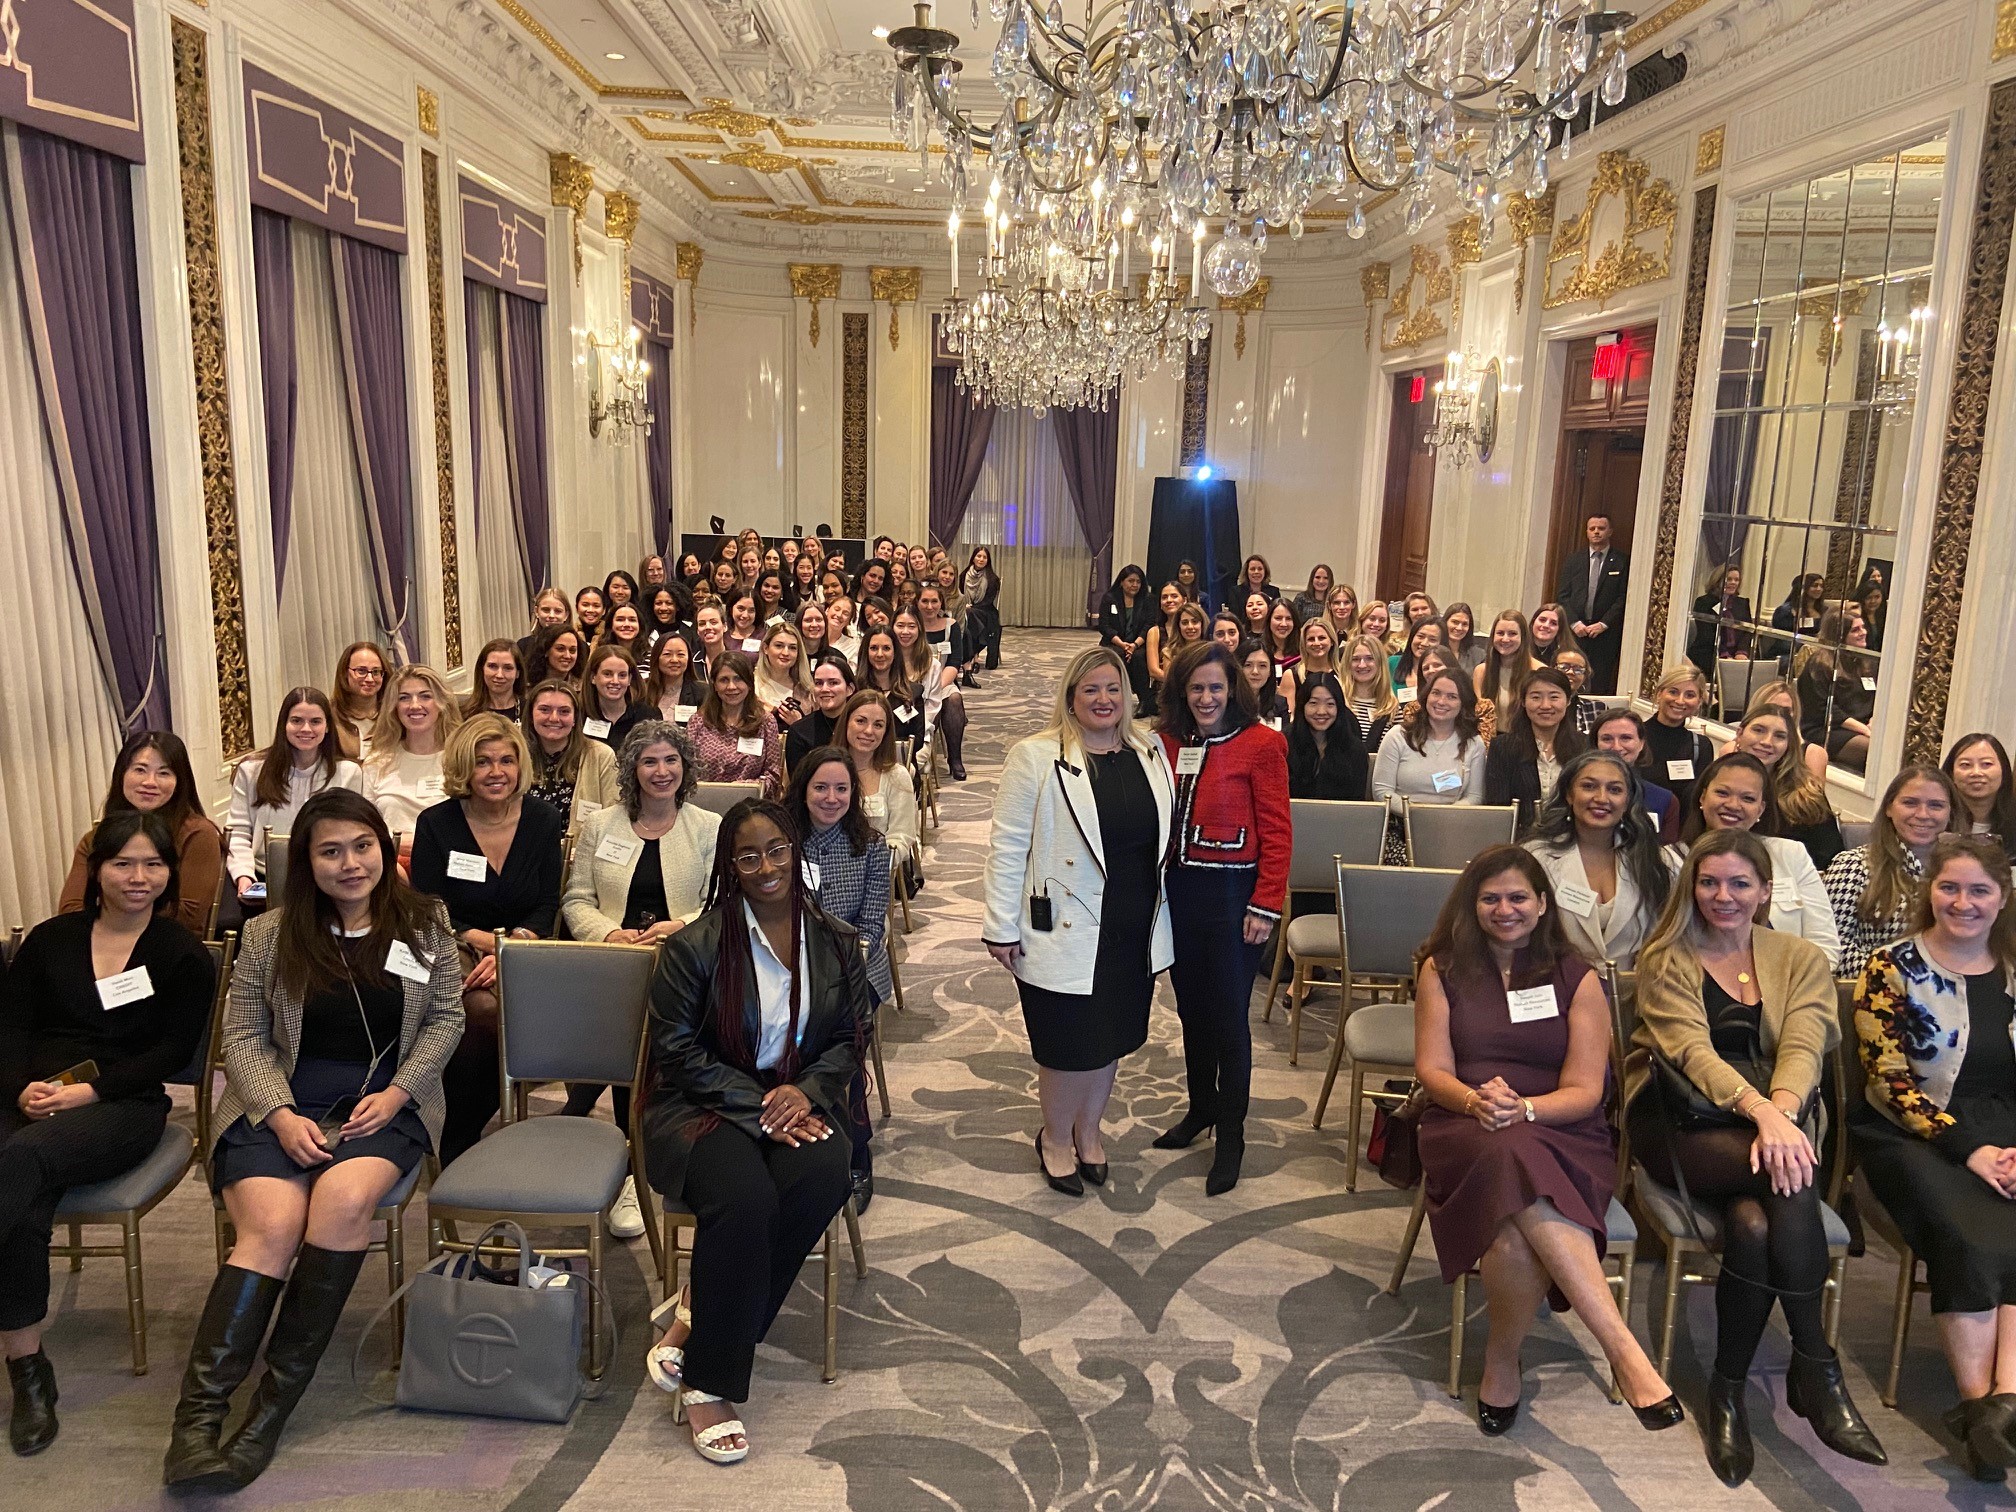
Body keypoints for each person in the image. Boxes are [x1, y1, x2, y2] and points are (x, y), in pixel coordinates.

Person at [168, 791, 462, 1493]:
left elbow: (445, 1021)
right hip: (281, 1105)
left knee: (339, 1204)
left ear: (383, 850)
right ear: (306, 860)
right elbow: (241, 1037)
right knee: (270, 1227)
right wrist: (276, 1112)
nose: (349, 863)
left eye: (361, 846)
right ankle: (196, 1425)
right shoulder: (270, 934)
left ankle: (268, 1412)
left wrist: (396, 1093)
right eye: (330, 851)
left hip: (383, 1106)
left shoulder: (424, 924)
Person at [1625, 828, 1884, 1487]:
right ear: (1692, 887)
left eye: (1740, 883)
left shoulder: (1797, 957)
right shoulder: (1667, 955)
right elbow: (1689, 1051)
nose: (1723, 896)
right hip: (1679, 1121)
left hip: (1777, 1125)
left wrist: (1784, 1110)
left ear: (1766, 891)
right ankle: (1816, 1366)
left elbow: (1805, 1042)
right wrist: (1764, 1114)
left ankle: (1728, 1394)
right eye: (1709, 882)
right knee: (1790, 1177)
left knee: (1755, 1224)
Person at [1412, 846, 1682, 1434]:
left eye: (1517, 898)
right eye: (1490, 898)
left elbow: (1587, 1090)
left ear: (1541, 906)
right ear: (1470, 904)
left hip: (1562, 1127)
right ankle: (1624, 1350)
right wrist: (1476, 1101)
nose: (1504, 909)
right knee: (1508, 1148)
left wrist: (1526, 1108)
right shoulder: (1442, 968)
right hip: (1466, 1122)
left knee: (1512, 1240)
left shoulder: (1576, 977)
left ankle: (1502, 1360)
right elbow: (1432, 1069)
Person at [637, 800, 869, 1465]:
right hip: (698, 1108)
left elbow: (852, 1040)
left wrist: (803, 1092)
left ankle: (693, 1320)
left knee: (827, 1170)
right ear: (728, 867)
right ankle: (710, 1382)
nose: (766, 867)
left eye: (777, 850)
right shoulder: (694, 946)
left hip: (792, 1103)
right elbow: (675, 1054)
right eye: (748, 856)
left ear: (795, 851)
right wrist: (761, 1103)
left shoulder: (833, 940)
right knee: (746, 1200)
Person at [3, 814, 214, 1457]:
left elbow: (173, 1051)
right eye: (123, 863)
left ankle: (26, 1376)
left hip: (122, 1103)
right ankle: (29, 1365)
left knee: (18, 1162)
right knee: (23, 1177)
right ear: (96, 869)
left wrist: (88, 1091)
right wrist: (20, 1088)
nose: (138, 878)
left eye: (153, 865)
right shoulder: (49, 941)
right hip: (31, 1097)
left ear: (169, 874)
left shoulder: (180, 954)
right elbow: (9, 1030)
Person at [1850, 835, 2016, 1480]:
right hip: (1910, 1133)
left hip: (2008, 1134)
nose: (1963, 903)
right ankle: (1987, 1411)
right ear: (1930, 893)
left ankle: (1995, 1415)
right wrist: (1968, 1148)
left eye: (1980, 891)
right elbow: (1887, 1080)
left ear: (2002, 899)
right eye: (1950, 888)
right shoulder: (1890, 968)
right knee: (1969, 1242)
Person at [984, 647, 1174, 1195]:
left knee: (1112, 1034)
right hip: (1063, 924)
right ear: (1071, 698)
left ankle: (1089, 1131)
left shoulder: (1151, 750)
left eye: (1112, 688)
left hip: (1133, 919)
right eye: (1090, 690)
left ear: (1127, 696)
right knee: (1068, 1044)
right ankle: (1055, 1138)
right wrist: (1001, 923)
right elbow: (1007, 845)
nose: (1103, 699)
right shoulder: (1036, 756)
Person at [560, 722, 721, 1237]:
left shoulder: (707, 827)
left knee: (661, 1042)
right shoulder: (602, 825)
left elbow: (718, 905)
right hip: (614, 964)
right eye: (649, 761)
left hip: (684, 961)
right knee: (625, 1037)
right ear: (632, 769)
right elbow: (576, 900)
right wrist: (609, 934)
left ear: (686, 768)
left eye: (671, 761)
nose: (661, 771)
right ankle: (623, 1157)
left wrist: (678, 931)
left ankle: (643, 1166)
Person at [1154, 641, 1290, 1195]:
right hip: (1179, 892)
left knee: (1229, 1016)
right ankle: (1200, 1109)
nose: (1207, 697)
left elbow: (1279, 831)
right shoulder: (1164, 742)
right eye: (1196, 688)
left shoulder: (1263, 744)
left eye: (1216, 687)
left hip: (1236, 897)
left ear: (1234, 688)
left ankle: (1230, 1133)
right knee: (1191, 1008)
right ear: (1181, 693)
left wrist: (1266, 903)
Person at [407, 715, 562, 1164]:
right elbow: (426, 904)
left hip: (525, 945)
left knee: (491, 1012)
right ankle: (457, 1127)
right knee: (477, 1009)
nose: (497, 772)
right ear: (463, 769)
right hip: (450, 939)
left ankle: (460, 1127)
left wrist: (512, 944)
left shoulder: (541, 820)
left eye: (506, 761)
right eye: (483, 762)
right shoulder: (437, 823)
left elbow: (547, 902)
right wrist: (481, 939)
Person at [1670, 753, 1842, 969]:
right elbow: (1666, 944)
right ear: (1702, 798)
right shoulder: (1670, 860)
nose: (1733, 805)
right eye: (1722, 793)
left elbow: (1824, 945)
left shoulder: (1791, 854)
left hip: (1790, 986)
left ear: (1760, 809)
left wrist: (1791, 987)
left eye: (1748, 799)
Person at [60, 731, 225, 937]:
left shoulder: (198, 834)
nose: (150, 782)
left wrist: (111, 909)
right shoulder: (97, 837)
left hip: (168, 945)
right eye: (140, 770)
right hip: (99, 943)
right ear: (122, 774)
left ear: (180, 781)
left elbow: (188, 914)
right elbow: (70, 909)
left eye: (164, 773)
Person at [1523, 751, 1670, 969]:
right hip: (1561, 990)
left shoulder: (1653, 860)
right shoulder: (1535, 858)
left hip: (1635, 992)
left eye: (1615, 790)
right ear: (1569, 795)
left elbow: (1663, 938)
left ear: (1627, 800)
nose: (1602, 798)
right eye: (1589, 786)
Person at [225, 688, 364, 905]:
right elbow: (238, 833)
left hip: (327, 878)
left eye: (315, 721)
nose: (306, 729)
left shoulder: (348, 773)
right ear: (284, 725)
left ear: (327, 727)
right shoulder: (251, 771)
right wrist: (243, 875)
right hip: (262, 874)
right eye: (297, 720)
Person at [1824, 765, 1958, 977]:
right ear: (1889, 808)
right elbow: (1834, 947)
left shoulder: (1964, 873)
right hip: (1876, 992)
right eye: (1910, 803)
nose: (1923, 814)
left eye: (1936, 805)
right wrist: (1902, 979)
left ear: (1950, 813)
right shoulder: (1852, 865)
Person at [1728, 706, 1844, 869]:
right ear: (1739, 734)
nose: (1767, 742)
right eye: (1758, 730)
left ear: (1788, 744)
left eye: (1779, 736)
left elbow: (1831, 859)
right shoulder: (1716, 782)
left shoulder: (1807, 795)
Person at [360, 665, 461, 851]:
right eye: (404, 698)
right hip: (391, 861)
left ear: (441, 703)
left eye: (425, 696)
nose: (414, 705)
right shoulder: (377, 762)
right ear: (394, 707)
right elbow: (365, 828)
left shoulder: (461, 759)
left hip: (450, 859)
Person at [1373, 668, 1488, 823]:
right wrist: (1417, 814)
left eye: (1452, 697)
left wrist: (1441, 816)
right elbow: (1382, 791)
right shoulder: (1398, 736)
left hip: (1452, 823)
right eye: (1436, 693)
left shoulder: (1474, 744)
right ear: (1426, 696)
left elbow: (1475, 797)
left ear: (1463, 703)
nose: (1441, 701)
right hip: (1400, 823)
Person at [1484, 668, 1585, 829]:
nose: (1545, 705)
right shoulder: (1503, 747)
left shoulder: (1584, 747)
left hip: (1573, 837)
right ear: (1523, 701)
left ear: (1568, 701)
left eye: (1554, 697)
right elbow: (1498, 809)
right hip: (1521, 840)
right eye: (1536, 697)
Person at [837, 691, 920, 873]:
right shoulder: (824, 769)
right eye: (861, 721)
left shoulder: (897, 776)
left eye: (878, 725)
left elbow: (901, 837)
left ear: (886, 732)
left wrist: (869, 864)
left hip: (873, 870)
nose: (868, 731)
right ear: (846, 722)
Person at [523, 679, 619, 828]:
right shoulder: (513, 754)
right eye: (544, 709)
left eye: (564, 711)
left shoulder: (601, 757)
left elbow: (613, 819)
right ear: (530, 715)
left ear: (575, 718)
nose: (554, 718)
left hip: (580, 850)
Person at [689, 650, 785, 796]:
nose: (731, 687)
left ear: (749, 683)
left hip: (749, 804)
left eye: (738, 679)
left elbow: (773, 774)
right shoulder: (698, 721)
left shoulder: (765, 722)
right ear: (714, 685)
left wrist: (745, 788)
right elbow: (687, 769)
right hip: (705, 802)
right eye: (724, 680)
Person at [1555, 513, 1630, 693]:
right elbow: (1563, 596)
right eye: (1592, 529)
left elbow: (1623, 597)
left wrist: (1604, 623)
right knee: (1570, 678)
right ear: (1587, 532)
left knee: (1600, 681)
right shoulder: (1574, 560)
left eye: (1601, 528)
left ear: (1610, 531)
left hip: (1605, 635)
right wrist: (1574, 623)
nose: (1596, 532)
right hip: (1576, 632)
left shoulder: (1622, 561)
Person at [1796, 610, 1877, 772]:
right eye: (1855, 630)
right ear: (1839, 636)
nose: (1863, 633)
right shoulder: (1819, 665)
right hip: (1827, 729)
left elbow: (1876, 699)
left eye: (1863, 627)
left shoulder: (1866, 662)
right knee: (1873, 751)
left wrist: (1875, 721)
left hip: (1861, 727)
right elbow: (1826, 710)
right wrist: (1865, 730)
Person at [1593, 708, 1678, 843]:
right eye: (1607, 739)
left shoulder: (1665, 800)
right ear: (1596, 744)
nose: (1616, 747)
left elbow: (1668, 858)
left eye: (1626, 738)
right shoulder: (1576, 792)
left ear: (1641, 744)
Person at [1640, 664, 1715, 813]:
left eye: (1689, 695)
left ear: (1699, 701)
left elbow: (1698, 803)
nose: (1680, 701)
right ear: (1659, 694)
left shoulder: (1701, 747)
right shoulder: (1635, 737)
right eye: (1673, 692)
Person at [1286, 672, 1368, 800]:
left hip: (1340, 818)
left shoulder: (1355, 749)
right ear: (1302, 706)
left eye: (1330, 704)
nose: (1321, 711)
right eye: (1313, 703)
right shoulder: (1284, 743)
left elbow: (1356, 806)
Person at [1946, 732, 2016, 859]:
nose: (1976, 772)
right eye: (1965, 765)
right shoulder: (1936, 822)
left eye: (1986, 764)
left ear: (2004, 771)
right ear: (1951, 774)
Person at [1099, 565, 1157, 714]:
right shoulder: (1110, 598)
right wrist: (1122, 644)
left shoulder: (1148, 599)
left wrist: (1135, 644)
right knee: (1116, 656)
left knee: (1138, 658)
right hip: (1115, 641)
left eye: (1138, 581)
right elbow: (1104, 626)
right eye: (1131, 581)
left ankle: (1144, 700)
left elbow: (1149, 624)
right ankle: (1115, 697)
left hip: (1139, 643)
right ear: (1121, 582)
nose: (1135, 585)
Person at [784, 655, 855, 775]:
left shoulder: (861, 727)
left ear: (849, 689)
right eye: (819, 683)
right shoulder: (799, 731)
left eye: (833, 682)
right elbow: (798, 783)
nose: (825, 689)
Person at [1473, 610, 1537, 727]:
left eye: (1512, 633)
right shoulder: (1481, 671)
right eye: (1500, 633)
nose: (1505, 639)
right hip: (1489, 740)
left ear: (1523, 637)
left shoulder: (1538, 671)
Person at [1340, 632, 1399, 757]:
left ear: (1380, 663)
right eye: (1355, 659)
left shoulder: (1393, 708)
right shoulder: (1337, 702)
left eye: (1369, 658)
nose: (1362, 665)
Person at [1687, 563, 1754, 673]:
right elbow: (1706, 634)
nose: (1733, 583)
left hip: (1737, 656)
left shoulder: (1742, 603)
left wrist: (1741, 652)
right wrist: (1724, 655)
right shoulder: (1703, 602)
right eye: (1729, 579)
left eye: (1736, 580)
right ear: (1718, 580)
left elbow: (1747, 631)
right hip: (1709, 653)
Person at [581, 644, 648, 753]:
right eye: (607, 674)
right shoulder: (577, 716)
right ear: (593, 677)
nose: (615, 681)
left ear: (629, 679)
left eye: (622, 675)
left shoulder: (647, 716)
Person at [330, 642, 387, 760]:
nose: (370, 679)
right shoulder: (328, 715)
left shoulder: (395, 714)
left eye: (376, 672)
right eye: (361, 671)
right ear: (345, 673)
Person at [755, 623, 814, 732]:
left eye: (792, 648)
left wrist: (798, 723)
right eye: (779, 646)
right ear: (766, 648)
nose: (786, 653)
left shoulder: (807, 691)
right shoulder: (750, 685)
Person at [646, 631, 708, 725]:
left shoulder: (702, 692)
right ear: (656, 657)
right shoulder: (643, 691)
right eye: (667, 654)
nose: (674, 660)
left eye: (680, 654)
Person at [459, 638, 526, 722]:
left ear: (517, 673)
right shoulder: (464, 714)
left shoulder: (530, 711)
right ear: (482, 669)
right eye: (492, 666)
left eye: (507, 668)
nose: (499, 675)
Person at [1770, 572, 1827, 661]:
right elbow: (1780, 635)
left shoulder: (1825, 611)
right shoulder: (1785, 611)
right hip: (1788, 653)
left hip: (1815, 653)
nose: (1819, 589)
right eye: (1815, 585)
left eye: (1821, 586)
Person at [962, 546, 1002, 672]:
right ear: (973, 558)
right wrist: (965, 605)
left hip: (986, 612)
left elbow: (988, 601)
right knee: (969, 615)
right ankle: (974, 656)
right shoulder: (963, 575)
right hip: (967, 610)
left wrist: (971, 607)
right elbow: (958, 594)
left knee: (971, 615)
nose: (981, 559)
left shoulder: (992, 579)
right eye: (978, 556)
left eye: (984, 557)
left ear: (988, 560)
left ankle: (972, 656)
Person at [1241, 639, 1288, 727]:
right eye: (1248, 665)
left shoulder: (1279, 703)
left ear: (1270, 671)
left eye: (1262, 666)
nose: (1255, 671)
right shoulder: (1227, 703)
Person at [524, 623, 584, 688]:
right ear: (546, 650)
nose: (567, 656)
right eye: (560, 649)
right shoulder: (525, 686)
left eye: (572, 650)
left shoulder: (584, 687)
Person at [1527, 603, 1577, 669]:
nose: (1546, 625)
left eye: (1553, 623)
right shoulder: (1520, 645)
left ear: (1560, 629)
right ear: (1533, 622)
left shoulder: (1568, 654)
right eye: (1542, 620)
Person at [1442, 602, 1484, 678]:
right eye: (1455, 622)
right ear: (1445, 622)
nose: (1459, 628)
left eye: (1464, 624)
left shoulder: (1479, 655)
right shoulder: (1433, 650)